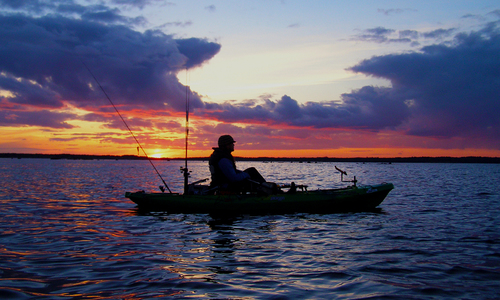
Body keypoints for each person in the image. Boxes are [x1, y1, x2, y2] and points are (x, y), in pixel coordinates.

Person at [209, 135, 273, 193]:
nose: (233, 145)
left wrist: (243, 173)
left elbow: (231, 173)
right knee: (251, 174)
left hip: (224, 183)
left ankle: (268, 188)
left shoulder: (220, 156)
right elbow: (233, 178)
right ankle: (268, 191)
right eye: (232, 143)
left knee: (251, 171)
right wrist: (246, 175)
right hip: (226, 186)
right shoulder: (223, 160)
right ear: (227, 145)